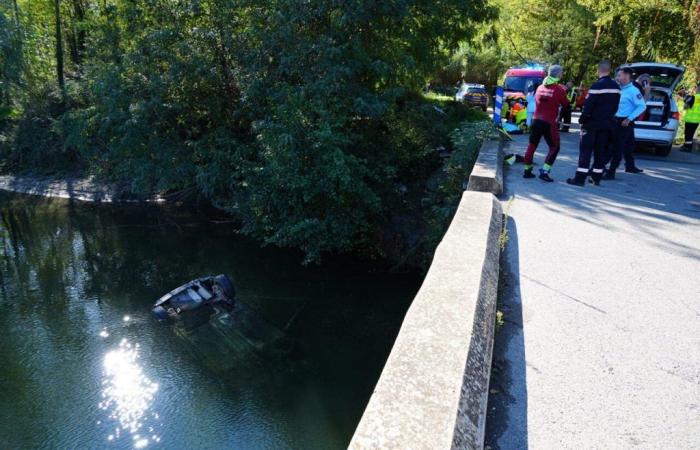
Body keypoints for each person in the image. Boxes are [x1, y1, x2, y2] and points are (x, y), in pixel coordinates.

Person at [567, 60, 620, 187]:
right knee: (600, 151)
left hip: (592, 124)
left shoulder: (597, 86)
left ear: (598, 70)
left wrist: (582, 120)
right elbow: (616, 106)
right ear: (609, 70)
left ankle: (580, 179)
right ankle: (596, 178)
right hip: (607, 124)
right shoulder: (616, 88)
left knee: (585, 151)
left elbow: (588, 106)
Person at [523, 65, 570, 182]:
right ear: (558, 74)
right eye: (562, 73)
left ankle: (527, 171)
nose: (562, 74)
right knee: (554, 147)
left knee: (532, 146)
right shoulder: (559, 89)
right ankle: (544, 172)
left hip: (536, 121)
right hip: (548, 123)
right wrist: (561, 119)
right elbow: (566, 106)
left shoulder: (540, 87)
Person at [604, 67, 646, 179]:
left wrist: (629, 118)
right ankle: (601, 167)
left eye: (619, 75)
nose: (617, 78)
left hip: (623, 122)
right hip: (614, 121)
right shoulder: (618, 88)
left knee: (616, 148)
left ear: (627, 76)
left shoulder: (633, 91)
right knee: (619, 145)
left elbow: (642, 106)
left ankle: (611, 172)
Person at [683, 83, 700, 152]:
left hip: (690, 119)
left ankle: (687, 147)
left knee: (688, 134)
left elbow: (685, 106)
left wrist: (686, 98)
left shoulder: (694, 97)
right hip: (697, 120)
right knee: (691, 133)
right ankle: (687, 146)